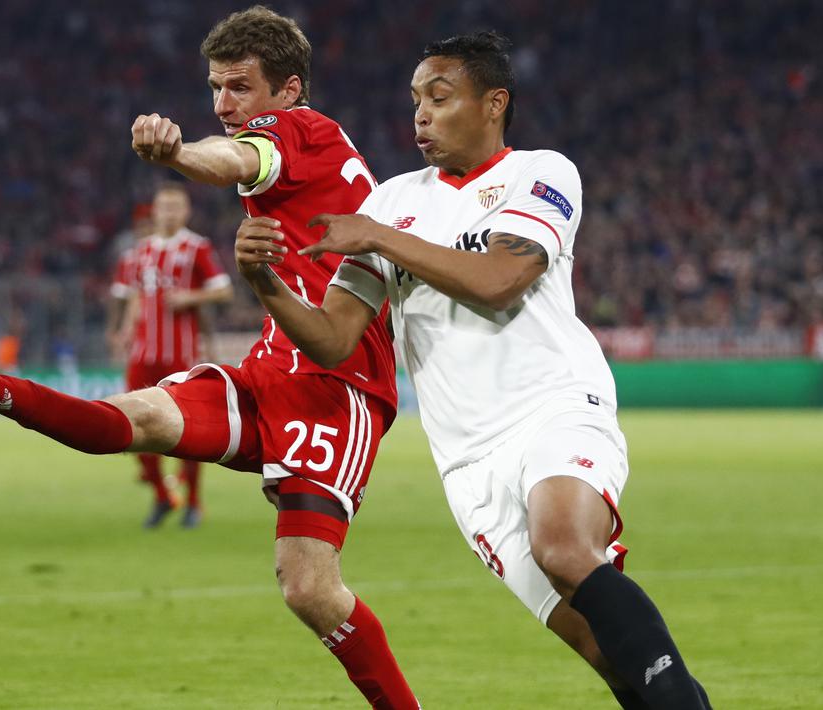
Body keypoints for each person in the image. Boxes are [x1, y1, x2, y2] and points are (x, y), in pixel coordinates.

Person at [0, 6, 419, 708]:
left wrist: (178, 154)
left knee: (309, 587)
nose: (224, 104)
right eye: (215, 88)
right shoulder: (299, 147)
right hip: (268, 371)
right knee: (131, 420)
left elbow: (231, 159)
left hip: (334, 386)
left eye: (239, 87)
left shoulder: (300, 131)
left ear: (287, 90)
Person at [233, 32, 712, 709]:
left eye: (439, 97)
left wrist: (376, 236)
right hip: (466, 458)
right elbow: (336, 338)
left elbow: (500, 281)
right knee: (605, 651)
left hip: (553, 404)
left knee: (563, 545)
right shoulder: (391, 200)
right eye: (414, 101)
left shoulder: (541, 173)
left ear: (493, 104)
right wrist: (266, 282)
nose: (420, 115)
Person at [108, 183, 233, 528]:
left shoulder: (197, 248)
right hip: (142, 353)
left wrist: (189, 299)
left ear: (186, 211)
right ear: (155, 210)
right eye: (164, 207)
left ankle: (192, 502)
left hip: (180, 354)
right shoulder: (140, 252)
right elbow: (133, 295)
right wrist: (124, 330)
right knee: (131, 425)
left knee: (189, 431)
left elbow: (224, 290)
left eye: (176, 207)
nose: (169, 213)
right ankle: (163, 495)